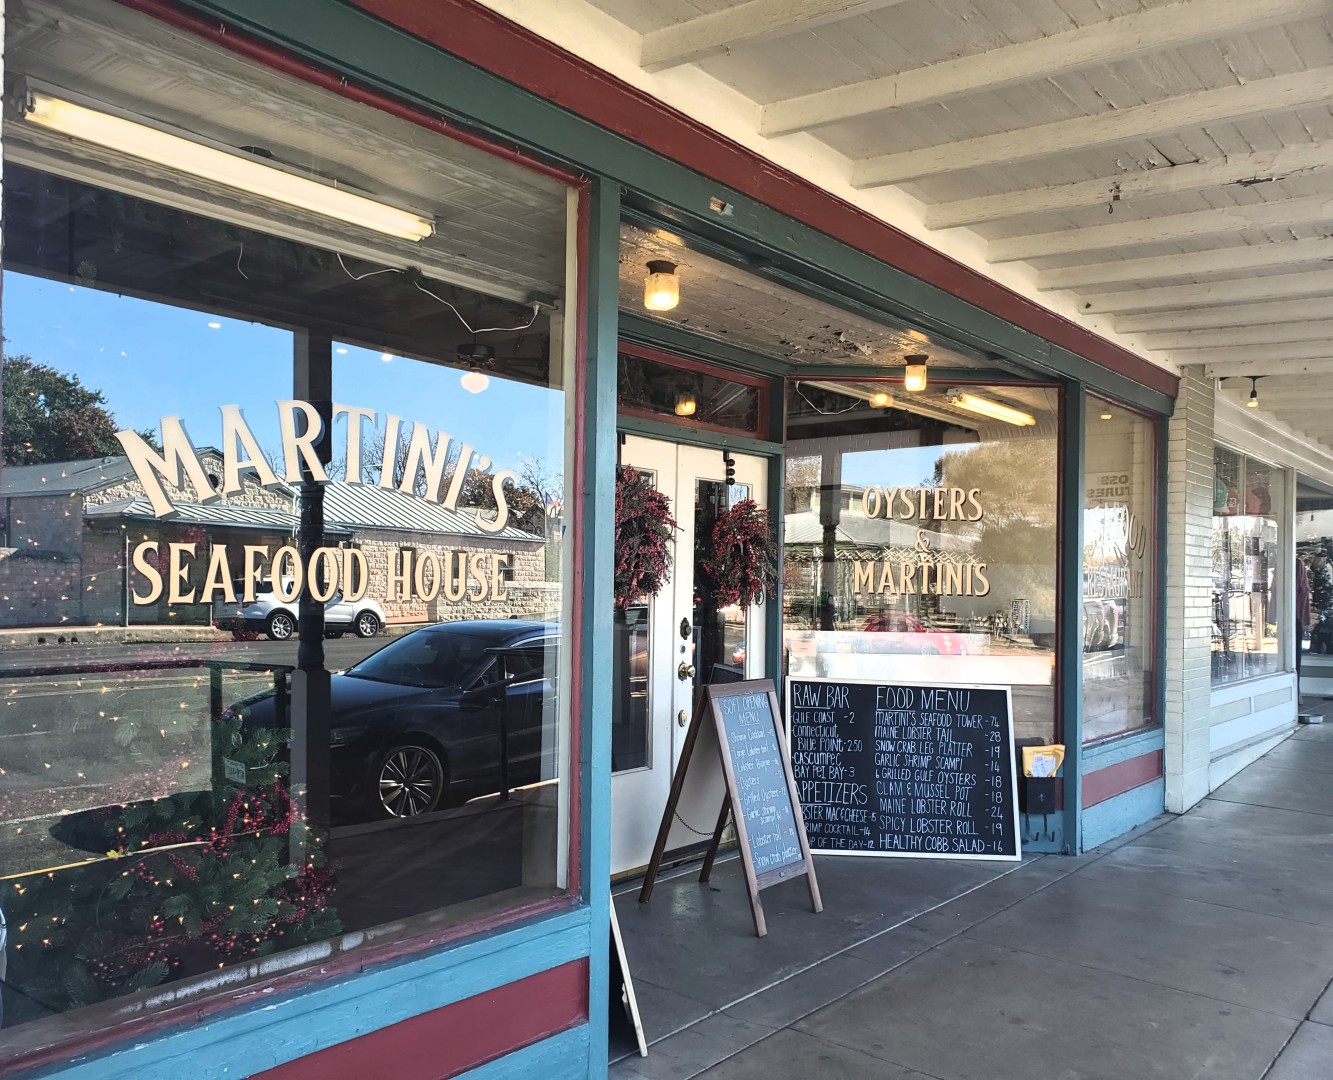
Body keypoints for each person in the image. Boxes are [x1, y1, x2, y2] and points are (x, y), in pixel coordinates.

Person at [1296, 555, 1311, 690]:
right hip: (1294, 617)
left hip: (1294, 617)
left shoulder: (1297, 564)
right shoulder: (1296, 564)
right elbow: (1303, 591)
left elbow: (1303, 592)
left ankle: (1296, 687)